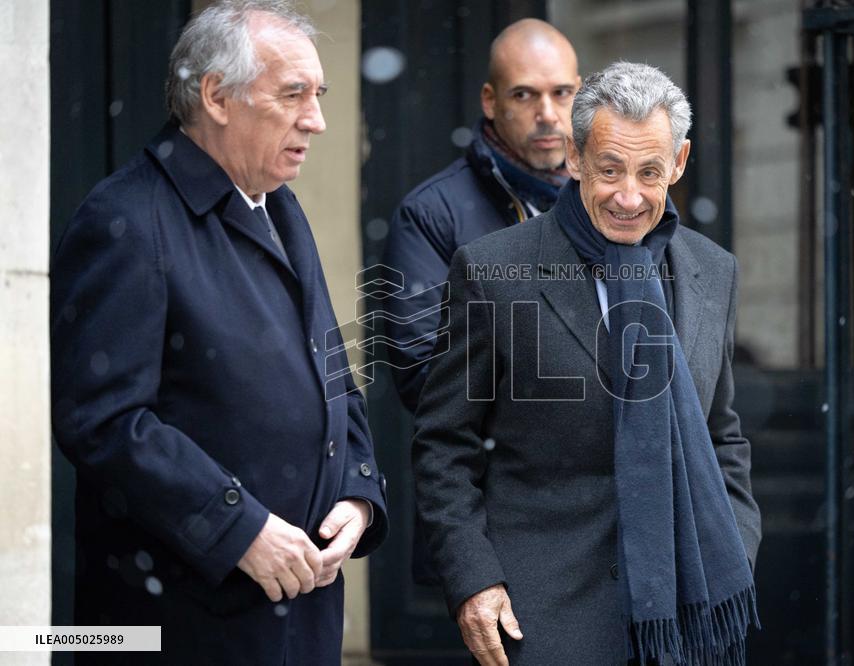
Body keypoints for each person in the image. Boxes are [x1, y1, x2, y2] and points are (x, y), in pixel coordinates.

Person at [49, 2, 386, 663]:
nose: (316, 120)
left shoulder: (280, 207)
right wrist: (242, 529)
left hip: (300, 620)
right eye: (294, 95)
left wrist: (359, 490)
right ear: (217, 96)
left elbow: (330, 370)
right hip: (182, 628)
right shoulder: (127, 218)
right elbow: (104, 421)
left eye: (317, 96)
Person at [412, 62, 761, 666]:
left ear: (679, 164)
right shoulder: (494, 271)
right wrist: (474, 579)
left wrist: (733, 544)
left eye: (650, 172)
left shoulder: (713, 270)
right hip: (543, 611)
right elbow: (445, 443)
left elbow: (721, 435)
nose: (629, 196)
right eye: (609, 169)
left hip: (691, 607)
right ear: (574, 159)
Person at [381, 18, 580, 413]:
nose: (548, 114)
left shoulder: (610, 200)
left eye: (561, 93)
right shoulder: (429, 215)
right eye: (524, 95)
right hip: (495, 472)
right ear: (490, 101)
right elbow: (424, 377)